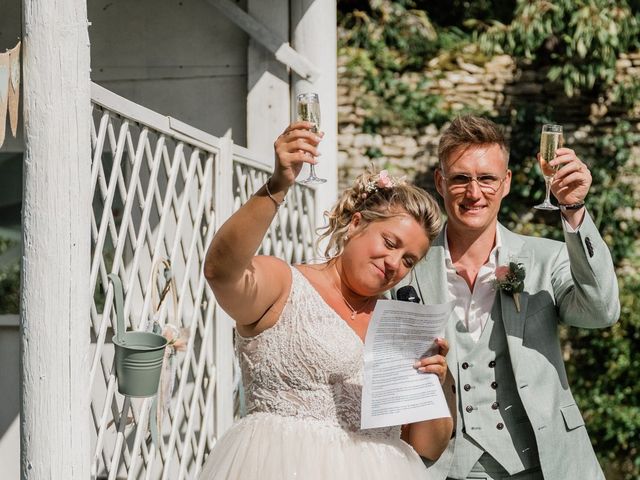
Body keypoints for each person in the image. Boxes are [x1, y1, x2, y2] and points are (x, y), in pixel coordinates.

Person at [200, 121, 453, 479]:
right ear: (355, 224)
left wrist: (436, 382)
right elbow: (220, 272)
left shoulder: (399, 324)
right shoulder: (285, 284)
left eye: (409, 259)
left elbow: (427, 446)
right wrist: (278, 185)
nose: (395, 264)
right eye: (390, 243)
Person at [396, 115, 620, 480]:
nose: (473, 193)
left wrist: (574, 211)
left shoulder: (548, 259)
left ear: (506, 183)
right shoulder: (408, 267)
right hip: (438, 466)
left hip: (541, 465)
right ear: (440, 182)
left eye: (486, 179)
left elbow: (601, 312)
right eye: (460, 178)